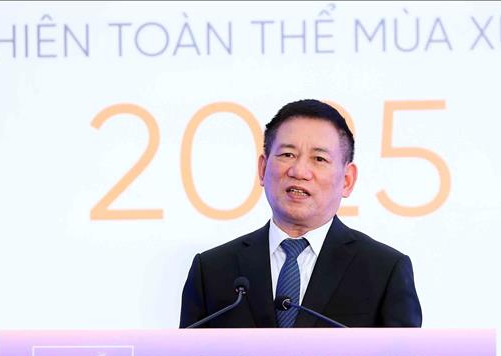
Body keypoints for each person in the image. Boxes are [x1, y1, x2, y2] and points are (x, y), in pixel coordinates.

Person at [180, 99, 422, 328]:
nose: (299, 171)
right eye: (288, 155)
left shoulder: (384, 270)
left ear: (347, 180)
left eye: (319, 158)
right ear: (263, 168)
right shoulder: (211, 271)